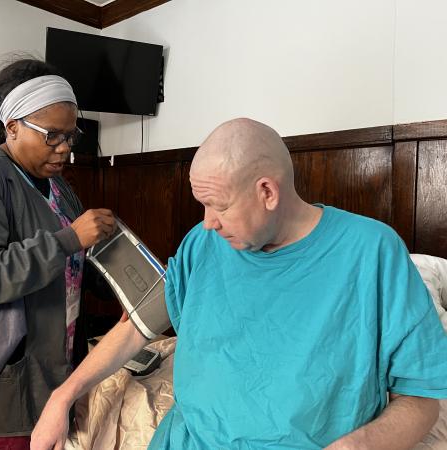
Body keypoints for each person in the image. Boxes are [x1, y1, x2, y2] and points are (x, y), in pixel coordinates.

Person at [31, 118, 447, 450]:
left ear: (267, 191)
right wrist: (63, 395)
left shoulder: (372, 252)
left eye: (218, 206)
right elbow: (138, 325)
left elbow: (420, 399)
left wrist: (359, 445)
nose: (207, 222)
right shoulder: (203, 244)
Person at [0, 58, 116, 449]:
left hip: (57, 373)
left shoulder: (58, 187)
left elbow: (71, 268)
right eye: (52, 135)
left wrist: (123, 277)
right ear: (13, 127)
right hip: (5, 389)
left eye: (70, 136)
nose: (65, 149)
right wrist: (69, 239)